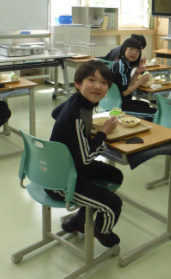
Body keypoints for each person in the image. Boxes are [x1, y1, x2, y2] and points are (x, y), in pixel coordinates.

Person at [47, 60, 123, 247]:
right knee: (113, 203)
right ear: (78, 83)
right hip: (60, 181)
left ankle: (79, 219)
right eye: (91, 80)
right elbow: (86, 158)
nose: (98, 86)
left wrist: (81, 133)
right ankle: (102, 232)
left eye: (104, 82)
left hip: (66, 165)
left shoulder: (77, 100)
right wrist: (103, 133)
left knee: (114, 175)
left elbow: (55, 113)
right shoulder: (76, 116)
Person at [111, 37, 156, 115]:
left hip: (119, 101)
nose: (134, 53)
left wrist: (136, 74)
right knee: (154, 112)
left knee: (146, 105)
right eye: (131, 49)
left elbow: (127, 87)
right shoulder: (121, 66)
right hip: (119, 105)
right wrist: (140, 81)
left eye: (137, 51)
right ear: (124, 49)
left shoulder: (124, 63)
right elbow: (125, 93)